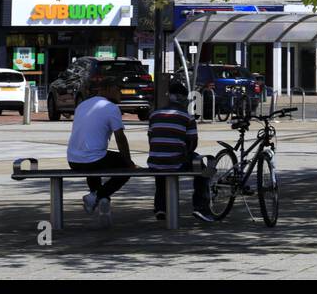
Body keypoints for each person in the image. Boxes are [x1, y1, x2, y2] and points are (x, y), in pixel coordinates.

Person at [146, 82, 215, 223]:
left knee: (162, 164)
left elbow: (151, 138)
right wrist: (185, 152)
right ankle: (200, 207)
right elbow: (192, 143)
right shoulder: (187, 117)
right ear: (183, 98)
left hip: (154, 162)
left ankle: (161, 207)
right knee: (202, 169)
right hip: (175, 161)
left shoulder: (155, 114)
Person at [67, 85, 134, 226]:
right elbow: (120, 138)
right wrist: (129, 162)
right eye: (118, 90)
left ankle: (99, 198)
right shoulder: (111, 108)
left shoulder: (82, 105)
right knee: (125, 169)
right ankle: (98, 196)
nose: (121, 94)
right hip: (93, 158)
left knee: (93, 161)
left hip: (73, 159)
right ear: (108, 90)